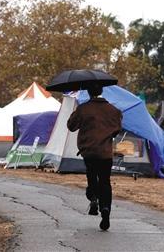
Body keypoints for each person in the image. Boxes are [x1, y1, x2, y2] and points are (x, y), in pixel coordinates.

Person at [67, 84, 122, 231]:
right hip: (105, 152)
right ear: (101, 91)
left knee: (92, 177)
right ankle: (105, 209)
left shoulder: (83, 109)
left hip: (89, 151)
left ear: (89, 92)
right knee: (105, 181)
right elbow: (117, 130)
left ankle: (93, 198)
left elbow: (71, 126)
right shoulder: (114, 110)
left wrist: (76, 112)